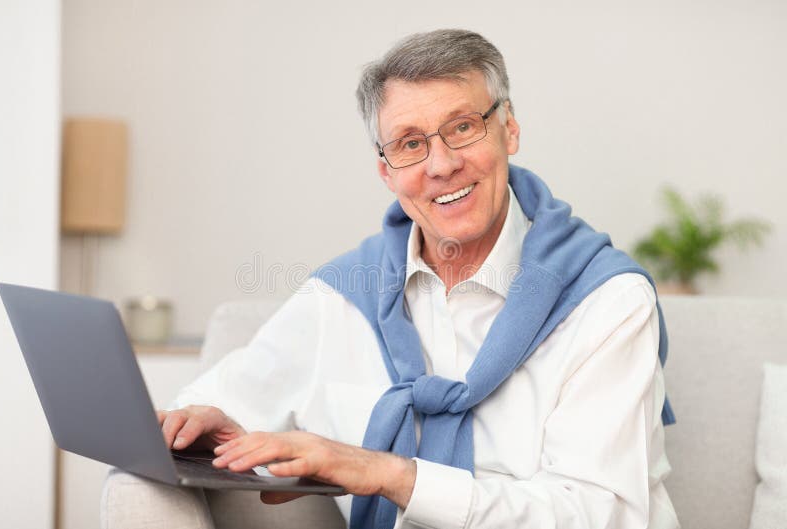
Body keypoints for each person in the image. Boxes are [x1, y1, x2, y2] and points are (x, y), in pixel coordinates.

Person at [157, 29, 679, 529]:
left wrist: (387, 474)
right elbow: (213, 408)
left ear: (509, 130)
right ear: (387, 172)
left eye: (462, 127)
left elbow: (599, 515)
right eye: (409, 143)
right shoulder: (343, 296)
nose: (442, 164)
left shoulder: (608, 302)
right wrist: (213, 435)